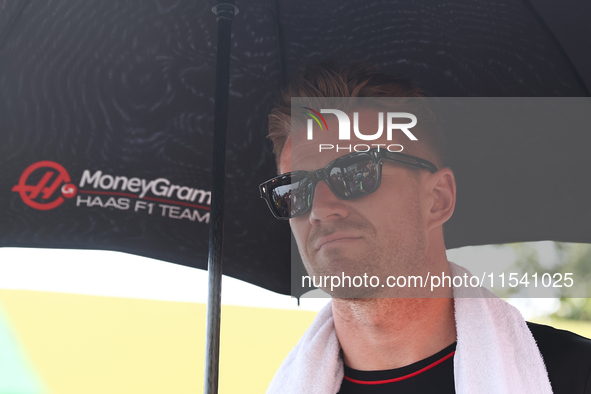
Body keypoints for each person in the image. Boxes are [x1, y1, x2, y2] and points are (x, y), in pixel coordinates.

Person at [259, 60, 591, 394]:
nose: (319, 209)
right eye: (295, 189)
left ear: (438, 198)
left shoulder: (574, 376)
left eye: (356, 173)